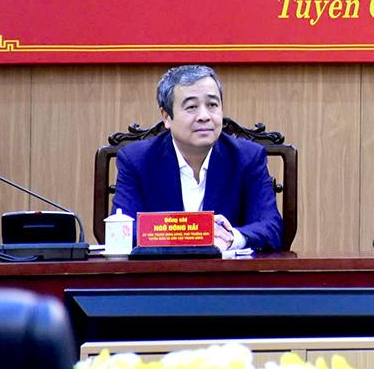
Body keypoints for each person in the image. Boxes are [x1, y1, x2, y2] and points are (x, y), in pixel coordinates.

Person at [111, 64, 283, 252]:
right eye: (192, 107)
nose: (204, 116)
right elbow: (123, 230)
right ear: (166, 116)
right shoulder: (137, 160)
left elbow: (271, 227)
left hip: (226, 270)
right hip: (161, 269)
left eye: (212, 105)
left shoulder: (248, 158)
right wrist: (192, 235)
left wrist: (232, 238)